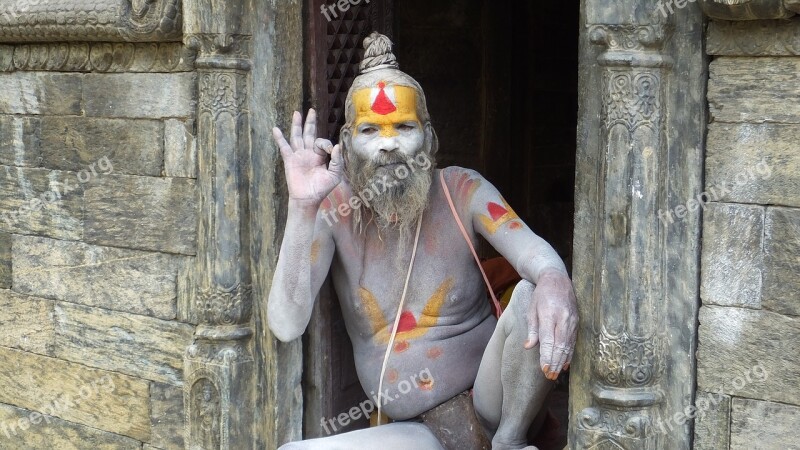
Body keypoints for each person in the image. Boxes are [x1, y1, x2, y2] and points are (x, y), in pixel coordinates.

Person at [269, 32, 578, 450]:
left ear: (429, 137)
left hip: (493, 409)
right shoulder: (332, 211)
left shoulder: (463, 190)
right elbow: (286, 325)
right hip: (418, 431)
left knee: (531, 293)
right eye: (370, 129)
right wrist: (302, 207)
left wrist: (555, 280)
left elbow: (536, 256)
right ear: (346, 142)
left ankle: (509, 443)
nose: (388, 143)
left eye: (404, 126)